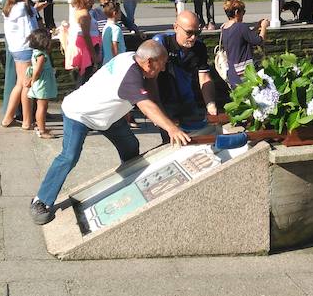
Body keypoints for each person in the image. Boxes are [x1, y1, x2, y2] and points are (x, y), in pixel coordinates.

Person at [29, 39, 191, 225]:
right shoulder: (131, 76)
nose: (163, 69)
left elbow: (153, 97)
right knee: (69, 156)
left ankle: (129, 182)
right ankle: (40, 200)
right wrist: (172, 129)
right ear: (149, 62)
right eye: (162, 64)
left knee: (130, 146)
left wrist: (166, 126)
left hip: (108, 117)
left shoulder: (132, 57)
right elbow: (146, 106)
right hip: (79, 113)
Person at [152, 10, 219, 139]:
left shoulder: (199, 48)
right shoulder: (161, 43)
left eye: (197, 33)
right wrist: (156, 108)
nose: (193, 37)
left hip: (188, 101)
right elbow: (151, 79)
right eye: (189, 32)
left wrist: (210, 103)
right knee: (171, 141)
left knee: (196, 137)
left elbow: (204, 78)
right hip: (165, 103)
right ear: (176, 27)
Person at [1, 0, 38, 129]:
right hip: (26, 48)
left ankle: (8, 117)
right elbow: (30, 29)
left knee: (19, 84)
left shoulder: (10, 7)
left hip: (16, 48)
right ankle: (27, 121)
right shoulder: (23, 7)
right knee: (27, 84)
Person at [0, 0, 28, 118]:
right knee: (15, 77)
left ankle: (19, 110)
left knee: (17, 77)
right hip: (17, 41)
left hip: (13, 40)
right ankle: (13, 111)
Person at [220, 0, 269, 88]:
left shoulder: (224, 28)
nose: (243, 14)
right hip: (243, 72)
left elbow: (244, 37)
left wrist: (256, 27)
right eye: (243, 11)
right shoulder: (241, 27)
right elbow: (259, 41)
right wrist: (264, 27)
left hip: (232, 73)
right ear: (236, 12)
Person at [63, 0, 101, 88]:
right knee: (85, 79)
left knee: (82, 78)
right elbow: (86, 35)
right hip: (88, 49)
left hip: (83, 48)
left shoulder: (77, 11)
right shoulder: (84, 14)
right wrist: (94, 55)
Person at [24, 27, 58, 139]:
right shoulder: (42, 56)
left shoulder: (36, 52)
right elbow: (37, 71)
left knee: (42, 106)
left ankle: (40, 126)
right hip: (42, 83)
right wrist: (33, 81)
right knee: (42, 107)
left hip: (41, 82)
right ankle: (42, 130)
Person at [99, 0, 126, 65]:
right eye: (120, 12)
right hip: (115, 62)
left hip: (106, 61)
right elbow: (114, 45)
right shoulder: (116, 29)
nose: (121, 14)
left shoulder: (106, 26)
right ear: (114, 13)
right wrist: (116, 61)